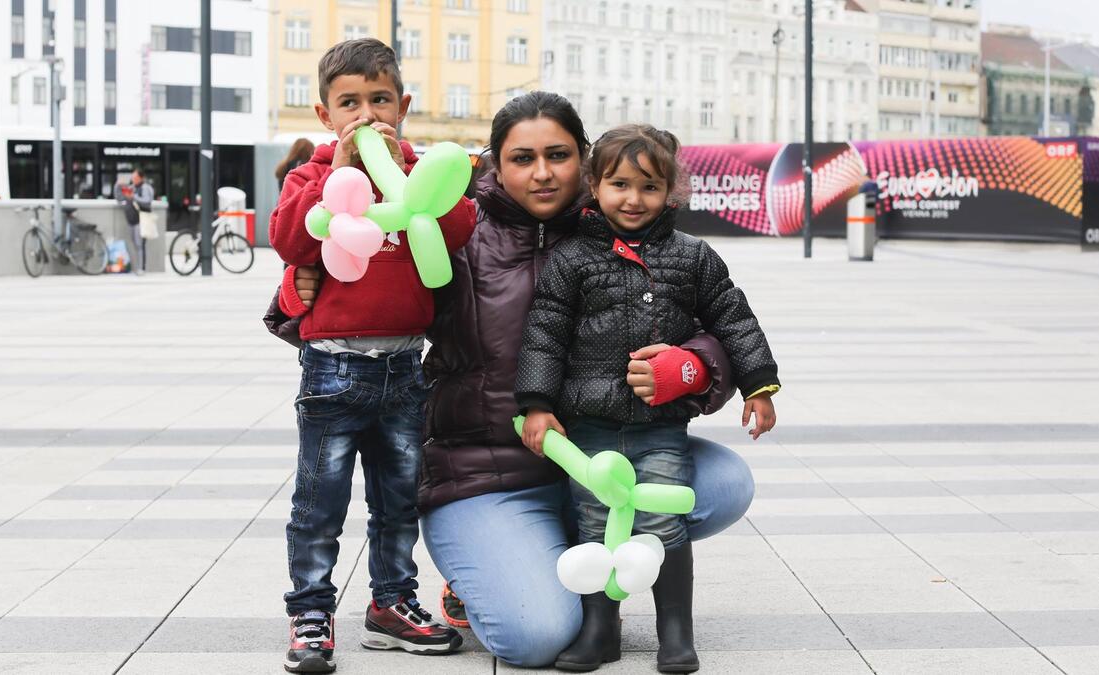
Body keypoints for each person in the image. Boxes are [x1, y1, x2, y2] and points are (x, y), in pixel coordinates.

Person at [270, 91, 758, 669]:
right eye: (523, 158)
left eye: (559, 155)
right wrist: (295, 291)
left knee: (726, 482)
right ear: (494, 163)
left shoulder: (628, 222)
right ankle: (483, 571)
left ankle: (571, 545)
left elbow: (715, 321)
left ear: (585, 157)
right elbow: (362, 281)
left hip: (601, 451)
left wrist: (693, 367)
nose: (543, 173)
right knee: (536, 637)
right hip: (486, 471)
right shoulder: (456, 225)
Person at [515, 124, 780, 673]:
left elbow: (733, 317)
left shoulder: (693, 256)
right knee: (595, 523)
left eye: (649, 187)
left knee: (663, 521)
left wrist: (758, 385)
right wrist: (538, 403)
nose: (633, 199)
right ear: (594, 184)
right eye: (619, 184)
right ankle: (600, 630)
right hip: (588, 426)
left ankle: (675, 633)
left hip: (660, 426)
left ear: (670, 192)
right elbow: (544, 332)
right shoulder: (571, 259)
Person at [268, 38, 476, 674]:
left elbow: (459, 226)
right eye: (348, 103)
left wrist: (404, 168)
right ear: (324, 115)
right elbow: (285, 235)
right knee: (319, 501)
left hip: (404, 367)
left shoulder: (419, 174)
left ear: (403, 105)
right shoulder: (313, 175)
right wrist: (341, 170)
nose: (365, 114)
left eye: (378, 100)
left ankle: (391, 601)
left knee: (399, 498)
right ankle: (310, 611)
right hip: (334, 366)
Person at [115, 168, 154, 275]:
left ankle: (141, 268)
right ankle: (137, 267)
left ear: (141, 178)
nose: (133, 179)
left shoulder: (145, 188)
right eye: (132, 177)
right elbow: (120, 198)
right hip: (131, 220)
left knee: (140, 244)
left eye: (135, 178)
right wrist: (117, 186)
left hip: (141, 220)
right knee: (135, 244)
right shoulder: (131, 188)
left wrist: (133, 197)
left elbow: (147, 201)